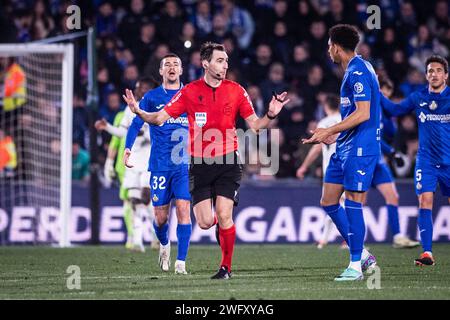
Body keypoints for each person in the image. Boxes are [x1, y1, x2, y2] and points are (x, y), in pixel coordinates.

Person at [123, 42, 290, 279]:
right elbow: (159, 118)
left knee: (224, 215)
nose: (225, 65)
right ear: (205, 63)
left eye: (226, 61)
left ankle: (225, 268)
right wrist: (138, 111)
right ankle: (215, 233)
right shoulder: (190, 91)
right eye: (220, 60)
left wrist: (271, 114)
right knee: (204, 222)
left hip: (228, 161)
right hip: (199, 165)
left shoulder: (236, 90)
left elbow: (255, 125)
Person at [303, 24, 379, 281]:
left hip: (361, 147)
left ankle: (356, 265)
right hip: (344, 145)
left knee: (354, 203)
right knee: (328, 201)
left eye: (328, 46)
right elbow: (352, 116)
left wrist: (328, 129)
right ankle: (364, 254)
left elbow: (364, 113)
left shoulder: (358, 71)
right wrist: (332, 135)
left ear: (336, 46)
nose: (328, 51)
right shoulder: (353, 70)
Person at [124, 54, 192, 275]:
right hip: (160, 166)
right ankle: (164, 244)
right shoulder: (152, 97)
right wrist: (127, 148)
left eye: (176, 65)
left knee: (183, 210)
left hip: (183, 165)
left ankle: (181, 263)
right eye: (167, 65)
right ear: (161, 71)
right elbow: (135, 124)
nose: (172, 68)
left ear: (181, 70)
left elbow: (204, 120)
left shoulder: (190, 95)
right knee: (161, 218)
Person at [380, 55, 450, 266]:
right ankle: (427, 252)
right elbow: (394, 110)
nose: (434, 74)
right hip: (426, 161)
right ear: (426, 75)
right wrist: (375, 90)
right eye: (430, 71)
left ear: (446, 75)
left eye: (438, 70)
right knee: (424, 201)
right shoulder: (418, 97)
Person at [95, 77, 159, 252]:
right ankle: (138, 241)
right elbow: (123, 132)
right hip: (132, 164)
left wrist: (143, 135)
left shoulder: (158, 108)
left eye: (145, 87)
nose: (141, 89)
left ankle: (157, 234)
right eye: (139, 87)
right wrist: (107, 127)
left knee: (146, 198)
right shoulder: (129, 110)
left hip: (148, 161)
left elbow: (159, 133)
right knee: (134, 201)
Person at [296, 93, 342, 249]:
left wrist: (304, 166)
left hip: (331, 170)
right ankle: (326, 238)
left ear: (326, 106)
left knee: (332, 203)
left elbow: (316, 148)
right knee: (345, 203)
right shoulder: (346, 120)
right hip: (348, 166)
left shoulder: (324, 122)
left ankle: (341, 238)